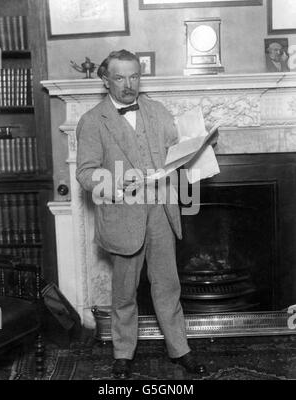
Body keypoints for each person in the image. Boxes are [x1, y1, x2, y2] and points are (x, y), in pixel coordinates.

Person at [76, 49, 207, 379]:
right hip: (123, 216)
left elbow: (178, 153)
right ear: (106, 80)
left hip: (162, 211)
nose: (128, 84)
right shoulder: (93, 121)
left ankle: (180, 349)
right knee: (124, 294)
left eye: (134, 76)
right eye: (119, 77)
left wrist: (200, 148)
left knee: (168, 287)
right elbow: (85, 173)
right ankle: (123, 354)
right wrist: (117, 181)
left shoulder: (158, 111)